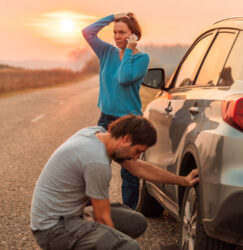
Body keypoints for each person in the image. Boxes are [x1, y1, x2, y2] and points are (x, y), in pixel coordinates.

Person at [30, 115, 199, 249]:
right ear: (126, 138)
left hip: (72, 214)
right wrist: (115, 242)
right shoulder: (96, 161)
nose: (136, 157)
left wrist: (183, 180)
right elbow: (102, 219)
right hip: (52, 228)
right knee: (127, 247)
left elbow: (139, 167)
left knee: (135, 222)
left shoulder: (95, 134)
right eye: (137, 151)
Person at [82, 13, 150, 210]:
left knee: (128, 173)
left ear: (133, 36)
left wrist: (129, 50)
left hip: (129, 120)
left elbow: (124, 77)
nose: (117, 36)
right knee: (95, 166)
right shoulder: (106, 52)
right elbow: (88, 32)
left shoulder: (142, 58)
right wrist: (112, 17)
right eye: (115, 32)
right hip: (106, 119)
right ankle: (90, 210)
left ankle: (129, 213)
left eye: (122, 32)